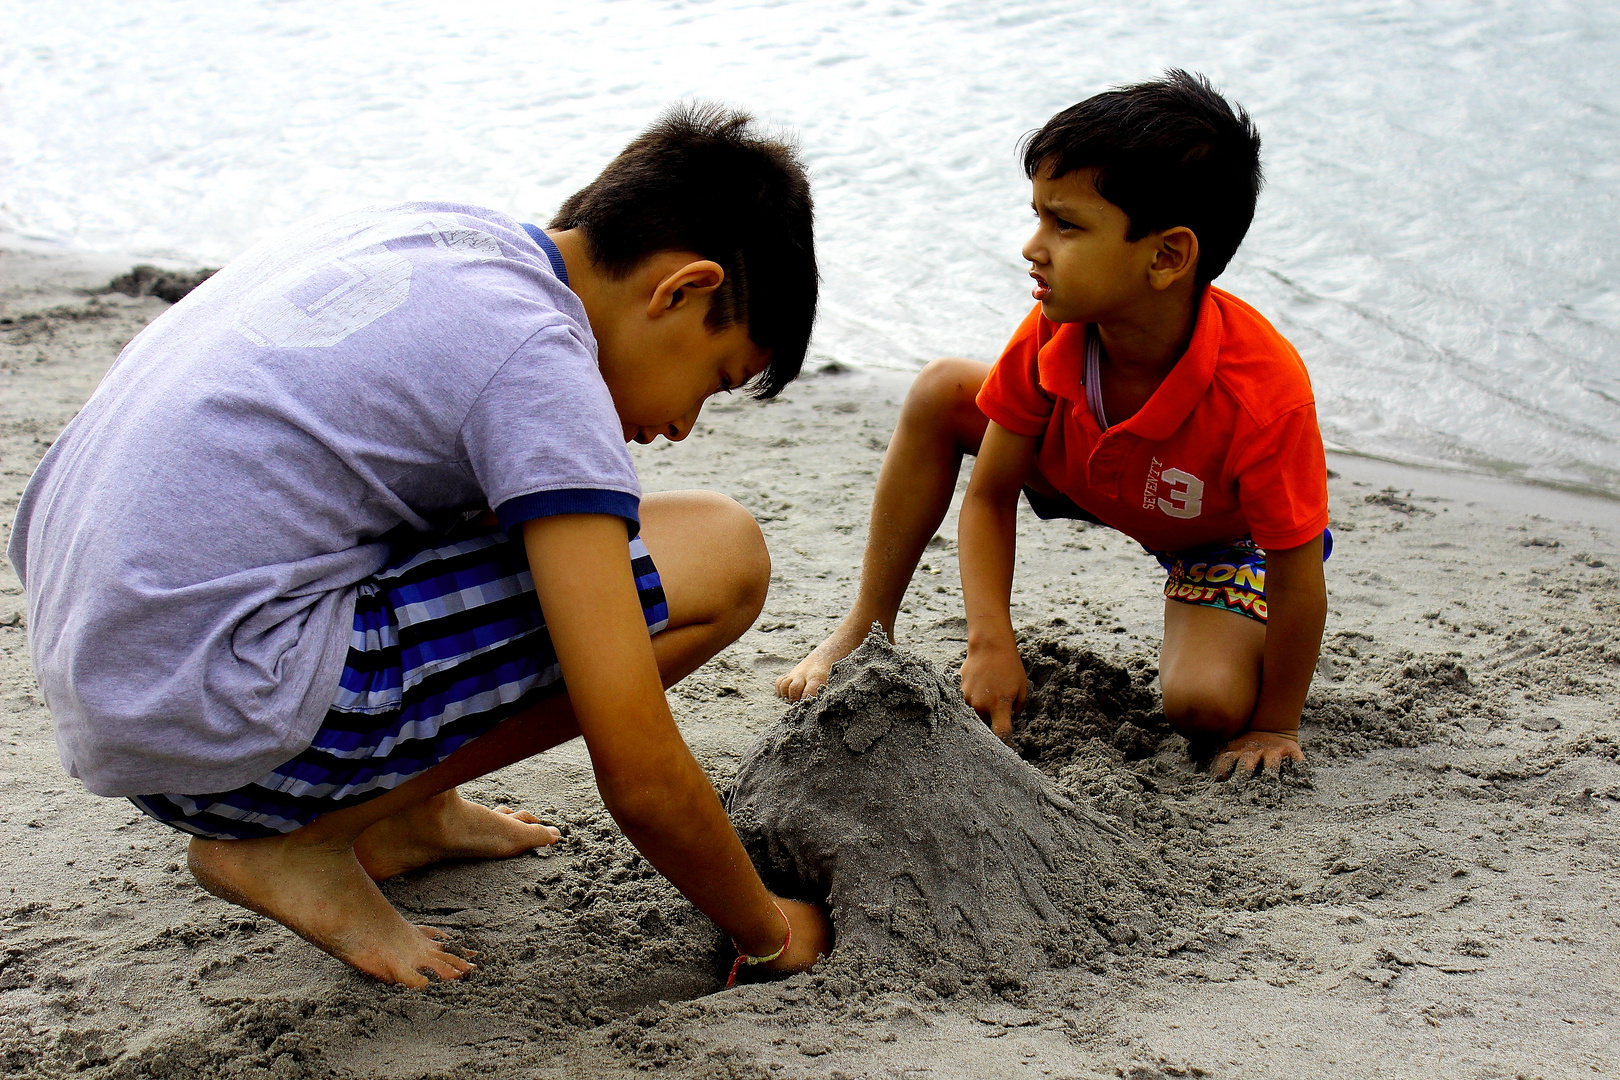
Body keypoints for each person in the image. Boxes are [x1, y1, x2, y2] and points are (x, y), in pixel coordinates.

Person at [8, 104, 831, 988]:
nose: (679, 426)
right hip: (224, 718)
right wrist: (766, 931)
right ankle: (304, 840)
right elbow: (638, 770)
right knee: (723, 552)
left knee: (459, 489)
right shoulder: (539, 360)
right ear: (681, 290)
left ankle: (403, 815)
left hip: (118, 684)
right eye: (713, 380)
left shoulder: (446, 239)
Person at [778, 72, 1329, 780]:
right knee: (943, 391)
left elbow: (1298, 576)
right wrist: (989, 640)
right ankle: (864, 625)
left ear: (1167, 257)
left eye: (1064, 225)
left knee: (1206, 707)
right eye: (1038, 215)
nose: (1032, 246)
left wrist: (1276, 724)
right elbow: (990, 493)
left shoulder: (1264, 395)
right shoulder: (1053, 330)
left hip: (1212, 532)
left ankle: (1230, 656)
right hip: (1082, 465)